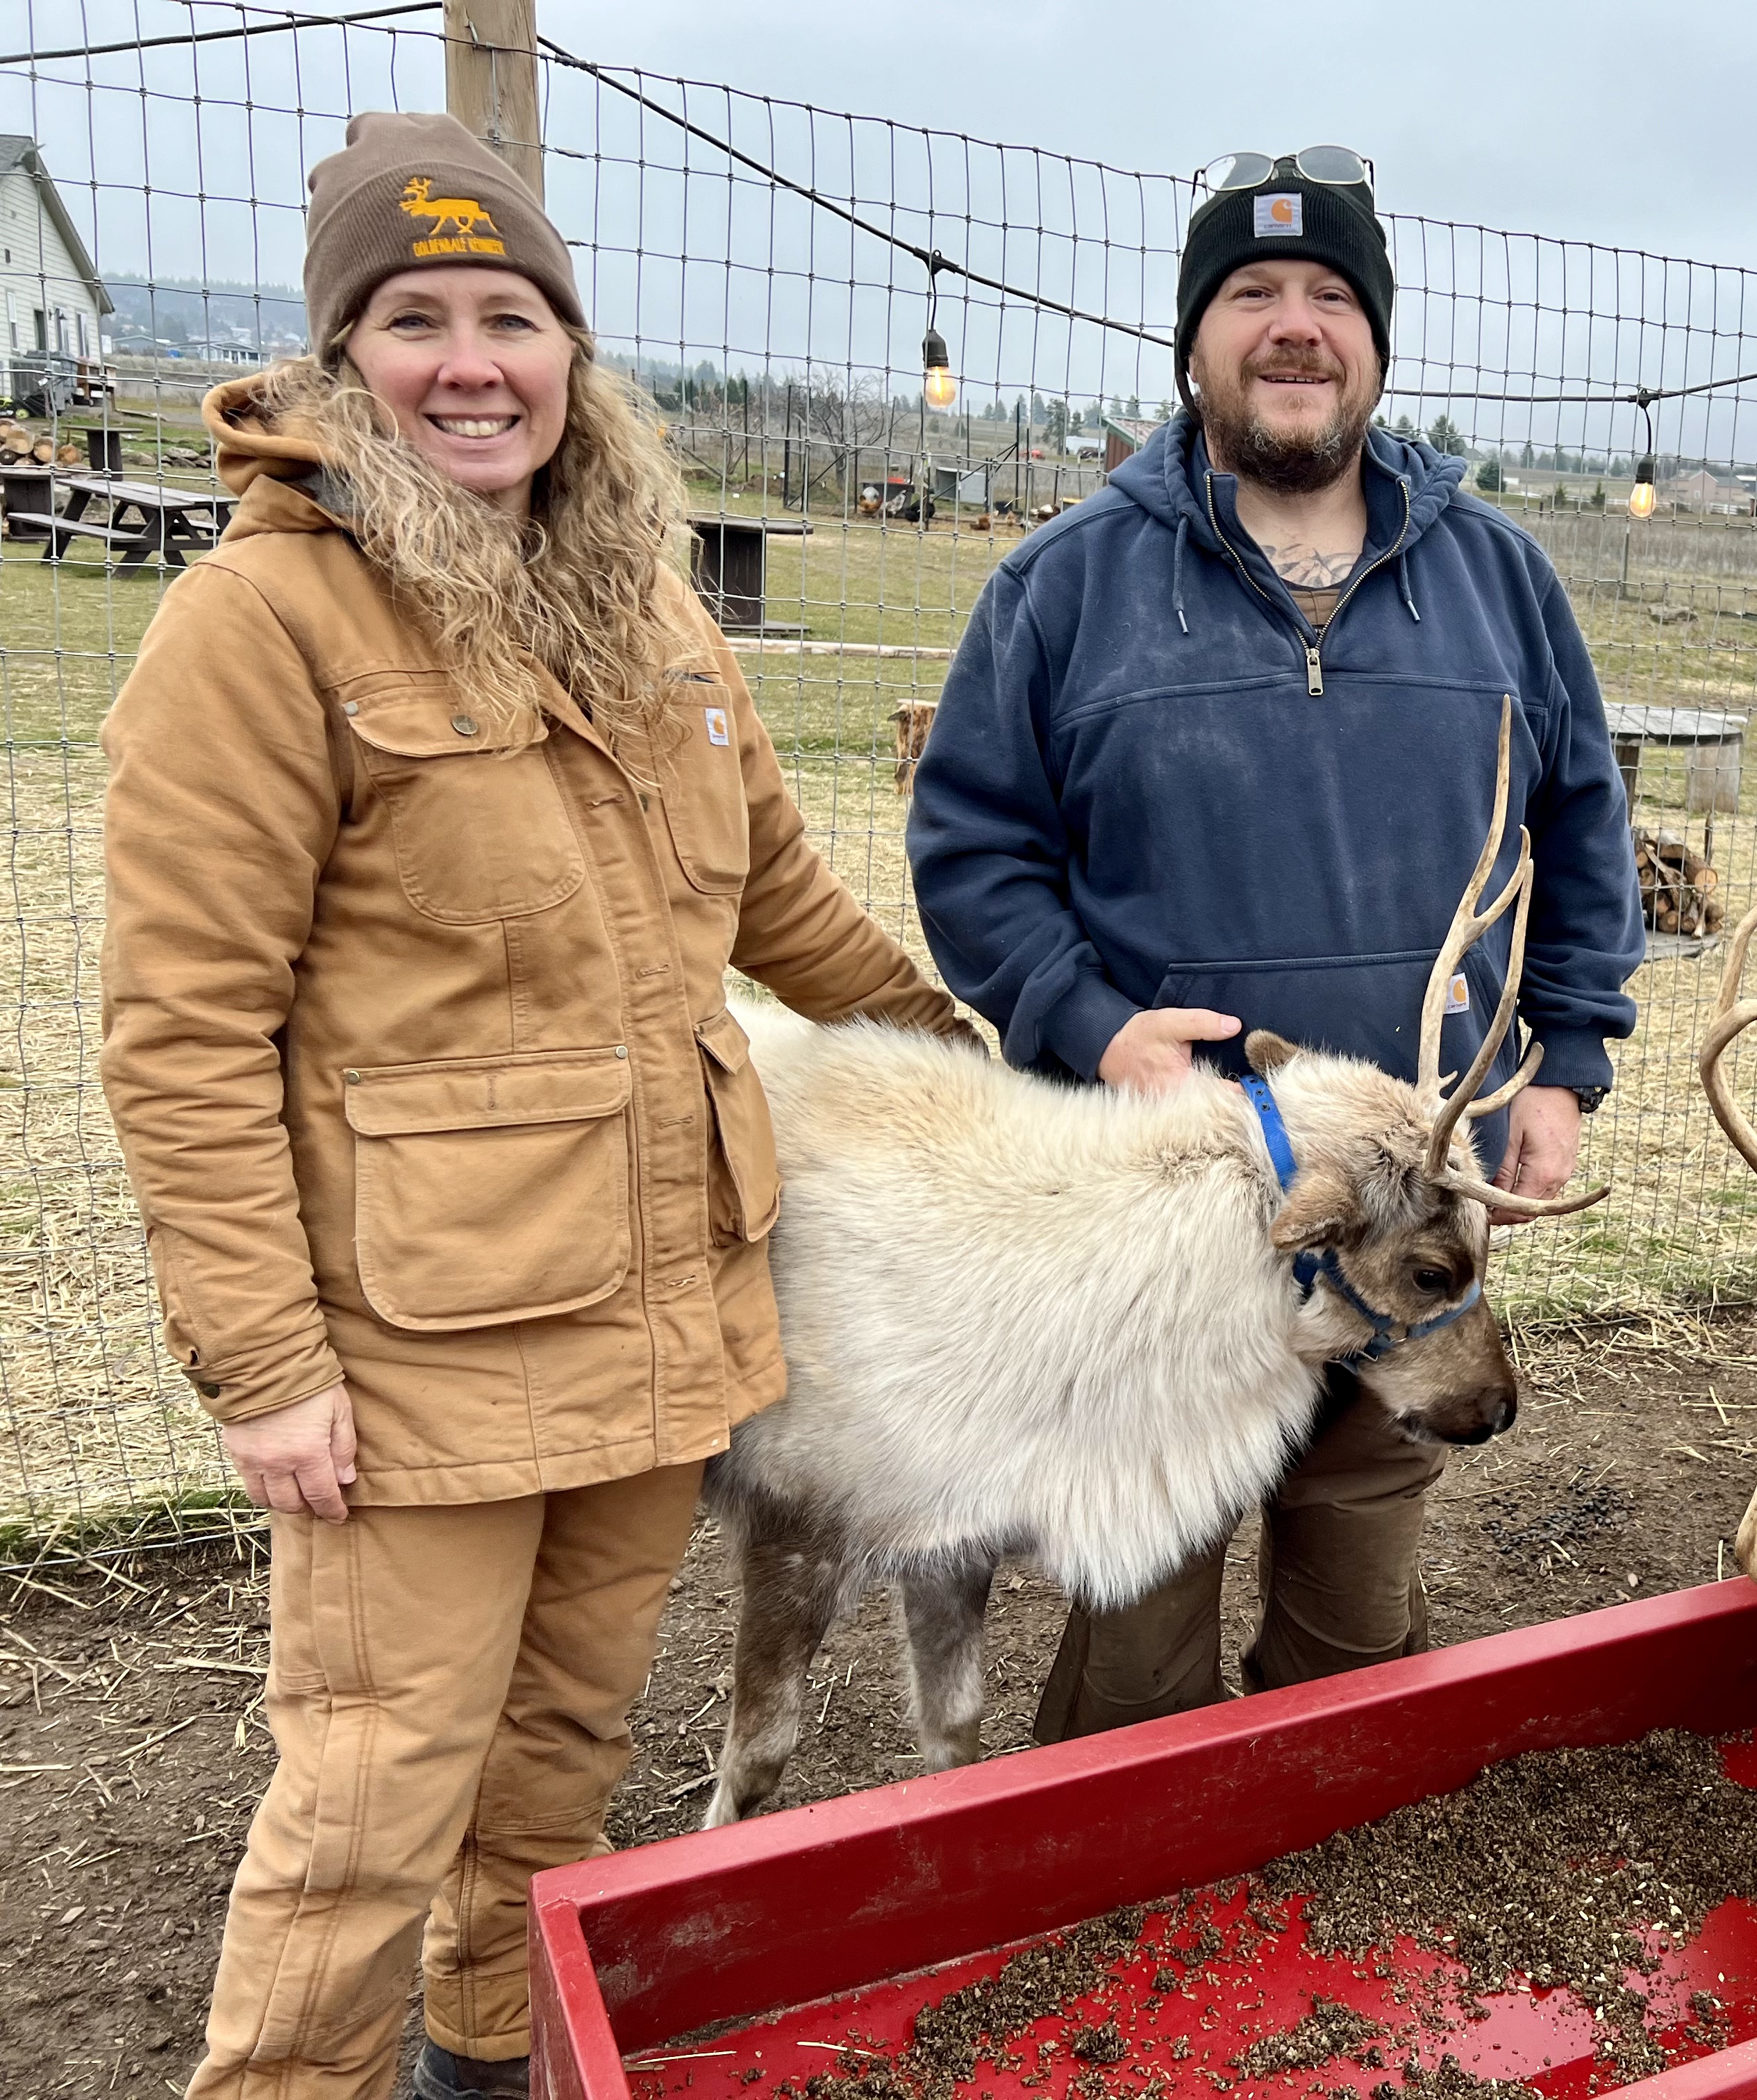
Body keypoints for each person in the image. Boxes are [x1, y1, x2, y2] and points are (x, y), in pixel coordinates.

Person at [96, 113, 975, 2100]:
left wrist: (989, 1056)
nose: (472, 362)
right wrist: (261, 1367)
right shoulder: (262, 628)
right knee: (367, 1813)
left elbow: (782, 905)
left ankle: (487, 2071)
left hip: (660, 1321)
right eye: (415, 321)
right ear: (341, 359)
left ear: (574, 351)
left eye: (513, 313)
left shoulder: (648, 613)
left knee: (555, 1771)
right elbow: (183, 1031)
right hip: (419, 1354)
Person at [909, 146, 1642, 1742]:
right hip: (1169, 1220)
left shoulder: (1499, 581)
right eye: (1253, 294)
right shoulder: (1066, 587)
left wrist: (1566, 1061)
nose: (1294, 326)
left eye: (1331, 297)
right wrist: (1091, 1021)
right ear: (1196, 342)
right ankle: (1127, 1848)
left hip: (1415, 1195)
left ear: (1378, 344)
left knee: (1358, 1601)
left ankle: (1324, 1827)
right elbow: (971, 856)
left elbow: (1583, 827)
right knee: (1141, 1620)